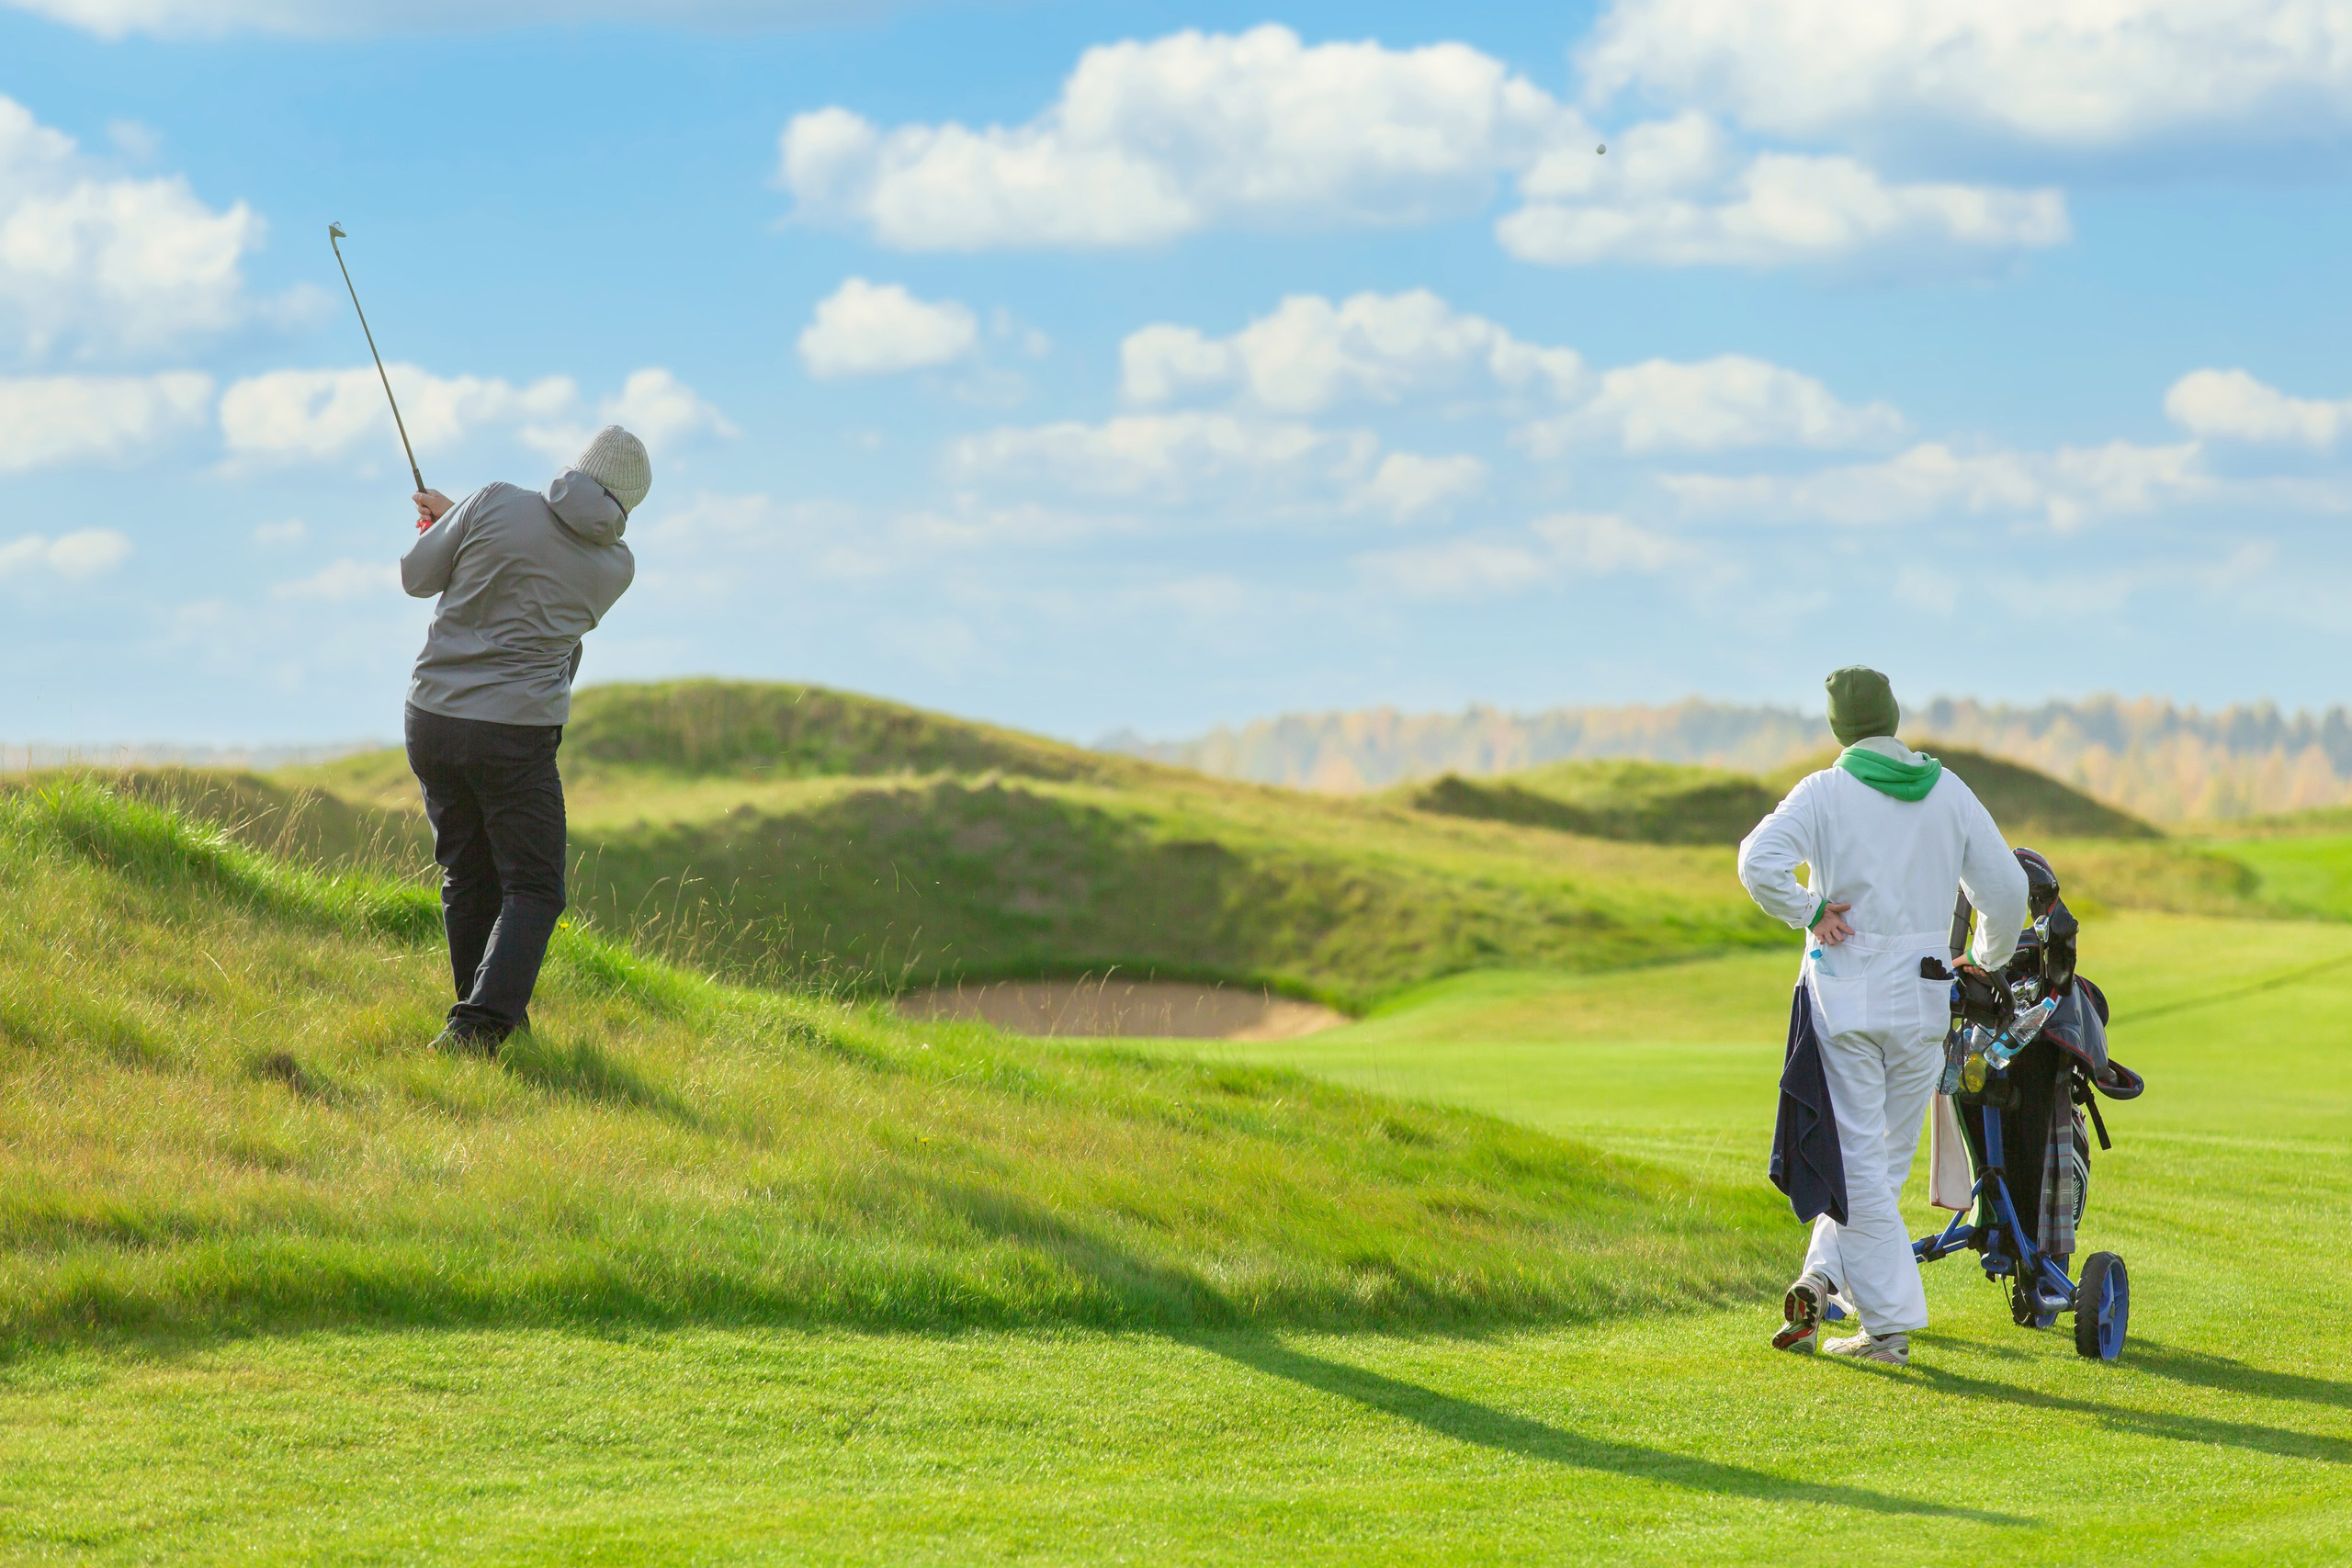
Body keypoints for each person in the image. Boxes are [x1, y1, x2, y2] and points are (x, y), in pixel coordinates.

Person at [1736, 667, 2027, 1365]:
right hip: (1926, 1002)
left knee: (1862, 1167)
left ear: (1839, 727)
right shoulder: (1947, 790)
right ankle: (1824, 1276)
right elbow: (2008, 888)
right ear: (1894, 717)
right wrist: (1982, 960)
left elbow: (1757, 862)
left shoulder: (1825, 792)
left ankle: (1889, 1328)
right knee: (1879, 1166)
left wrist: (1808, 910)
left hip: (1849, 1002)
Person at [399, 425, 646, 1053]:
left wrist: (455, 522)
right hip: (514, 734)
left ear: (576, 469)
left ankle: (482, 1017)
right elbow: (539, 578)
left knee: (466, 872)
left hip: (431, 716)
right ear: (627, 504)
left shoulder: (495, 501)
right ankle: (481, 1024)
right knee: (534, 886)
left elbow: (418, 577)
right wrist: (467, 522)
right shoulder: (618, 568)